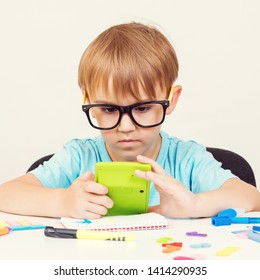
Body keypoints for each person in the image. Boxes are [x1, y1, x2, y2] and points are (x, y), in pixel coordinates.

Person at [0, 22, 259, 219]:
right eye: (110, 110)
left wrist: (193, 204)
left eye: (143, 108)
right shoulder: (78, 157)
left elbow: (251, 198)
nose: (126, 127)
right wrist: (62, 202)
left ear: (172, 99)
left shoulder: (187, 159)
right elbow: (5, 194)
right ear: (88, 102)